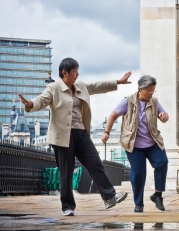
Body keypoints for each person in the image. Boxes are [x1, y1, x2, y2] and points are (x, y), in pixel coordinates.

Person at [18, 57, 131, 216]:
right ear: (64, 73)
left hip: (81, 133)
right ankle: (67, 206)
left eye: (78, 71)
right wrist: (30, 104)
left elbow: (97, 86)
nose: (77, 75)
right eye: (74, 72)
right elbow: (41, 100)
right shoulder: (54, 87)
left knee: (95, 163)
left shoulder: (81, 86)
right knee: (66, 172)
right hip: (62, 136)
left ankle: (109, 197)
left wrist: (117, 82)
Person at [101, 75, 169, 213]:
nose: (151, 93)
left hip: (152, 142)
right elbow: (113, 116)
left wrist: (164, 116)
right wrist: (106, 132)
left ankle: (157, 195)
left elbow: (164, 116)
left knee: (162, 162)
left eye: (153, 90)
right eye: (149, 90)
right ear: (141, 89)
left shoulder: (154, 102)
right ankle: (139, 204)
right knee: (138, 174)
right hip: (133, 145)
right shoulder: (128, 101)